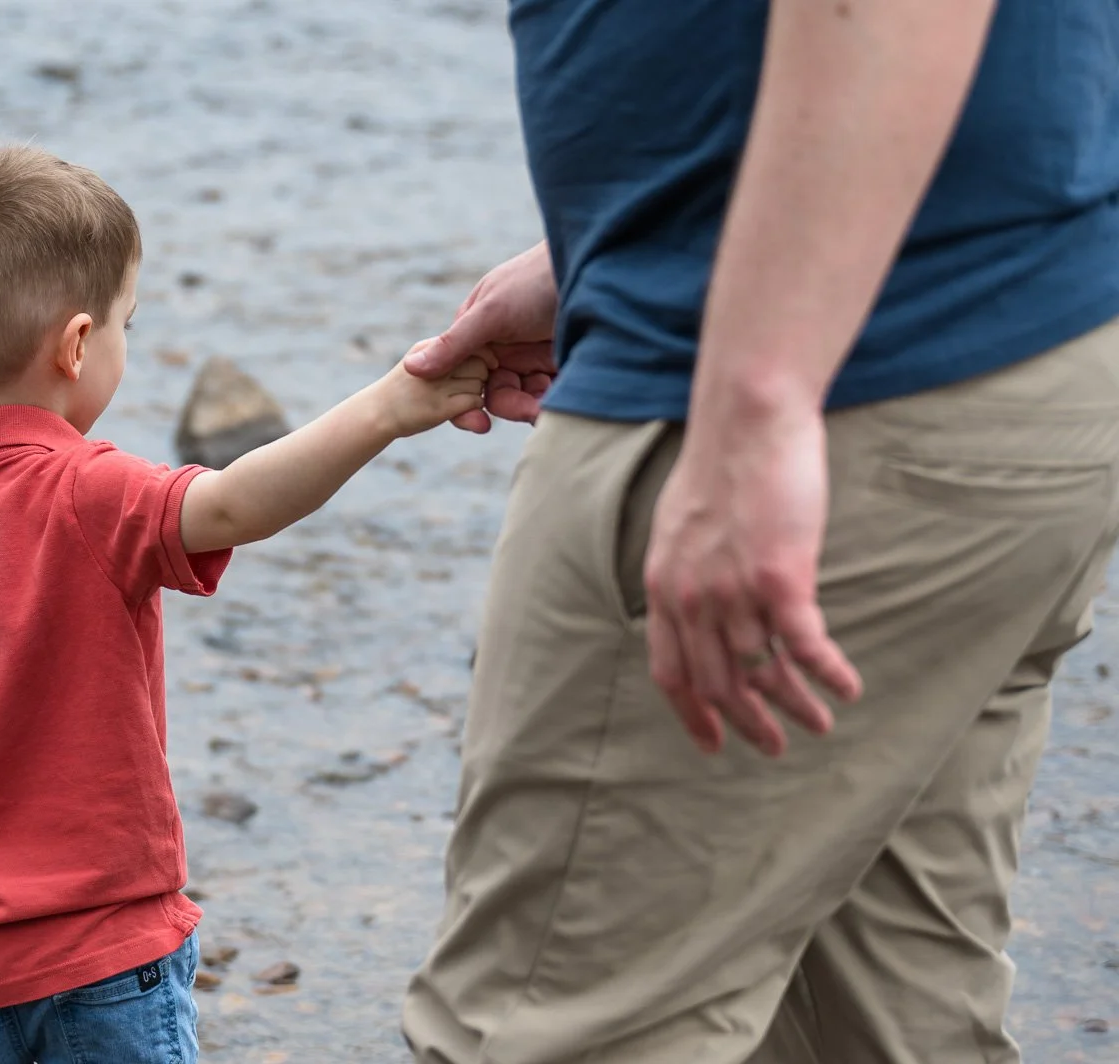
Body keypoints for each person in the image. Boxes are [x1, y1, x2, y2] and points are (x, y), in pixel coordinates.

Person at [402, 1, 1119, 1062]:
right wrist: (623, 232)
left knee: (554, 1029)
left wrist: (756, 397)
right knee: (879, 1019)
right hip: (1020, 338)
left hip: (835, 389)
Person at [0, 139, 489, 1064]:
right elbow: (236, 500)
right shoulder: (85, 493)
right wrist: (393, 405)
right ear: (78, 346)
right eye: (127, 325)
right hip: (99, 962)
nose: (125, 345)